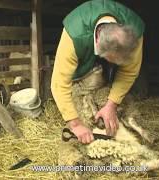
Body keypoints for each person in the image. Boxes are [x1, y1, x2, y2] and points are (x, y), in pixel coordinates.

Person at [51, 0, 145, 144]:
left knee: (118, 104)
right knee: (80, 107)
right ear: (99, 47)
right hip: (82, 69)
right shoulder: (74, 33)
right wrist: (75, 124)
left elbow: (129, 71)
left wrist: (111, 104)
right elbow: (59, 82)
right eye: (113, 59)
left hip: (103, 69)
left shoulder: (135, 33)